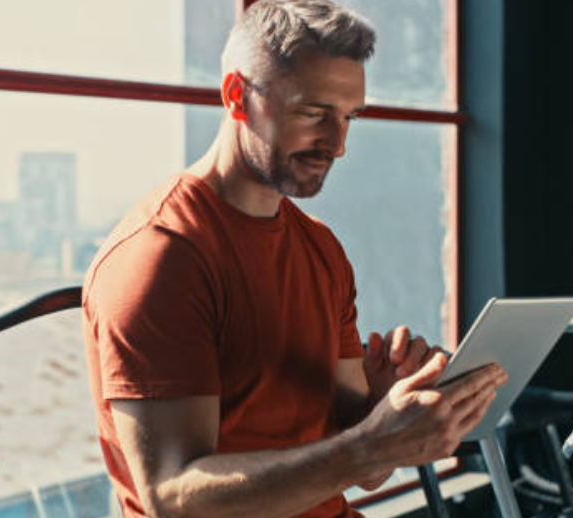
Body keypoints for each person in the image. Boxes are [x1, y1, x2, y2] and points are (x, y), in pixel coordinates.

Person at [81, 1, 507, 517]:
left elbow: (367, 472)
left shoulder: (320, 249)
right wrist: (371, 444)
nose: (338, 144)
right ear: (237, 96)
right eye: (313, 113)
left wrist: (388, 411)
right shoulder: (161, 257)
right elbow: (173, 499)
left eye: (349, 117)